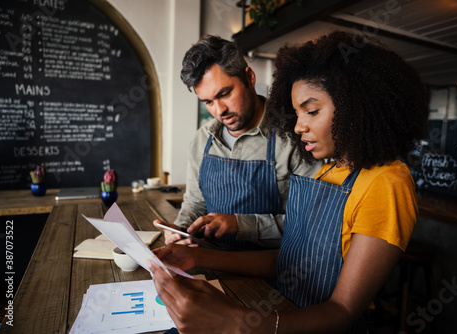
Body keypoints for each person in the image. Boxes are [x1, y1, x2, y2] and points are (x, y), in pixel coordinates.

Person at [149, 30, 429, 333]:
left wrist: (237, 322)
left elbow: (344, 310)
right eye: (296, 113)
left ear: (355, 105)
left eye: (310, 111)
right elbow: (287, 260)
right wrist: (196, 255)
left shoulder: (387, 181)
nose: (297, 127)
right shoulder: (329, 171)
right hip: (281, 310)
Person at [157, 35, 321, 250]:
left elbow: (311, 223)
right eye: (208, 102)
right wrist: (181, 229)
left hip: (274, 271)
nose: (219, 110)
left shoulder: (296, 136)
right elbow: (196, 203)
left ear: (249, 78)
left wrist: (242, 225)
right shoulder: (203, 139)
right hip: (213, 263)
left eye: (224, 94)